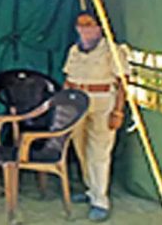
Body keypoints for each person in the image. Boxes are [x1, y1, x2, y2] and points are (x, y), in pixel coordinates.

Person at [63, 13, 129, 222]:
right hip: (76, 101)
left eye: (89, 24)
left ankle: (100, 200)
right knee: (81, 148)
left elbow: (123, 83)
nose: (84, 29)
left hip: (102, 101)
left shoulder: (112, 50)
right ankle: (91, 190)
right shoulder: (74, 50)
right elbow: (67, 79)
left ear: (100, 27)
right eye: (80, 25)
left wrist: (118, 111)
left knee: (99, 150)